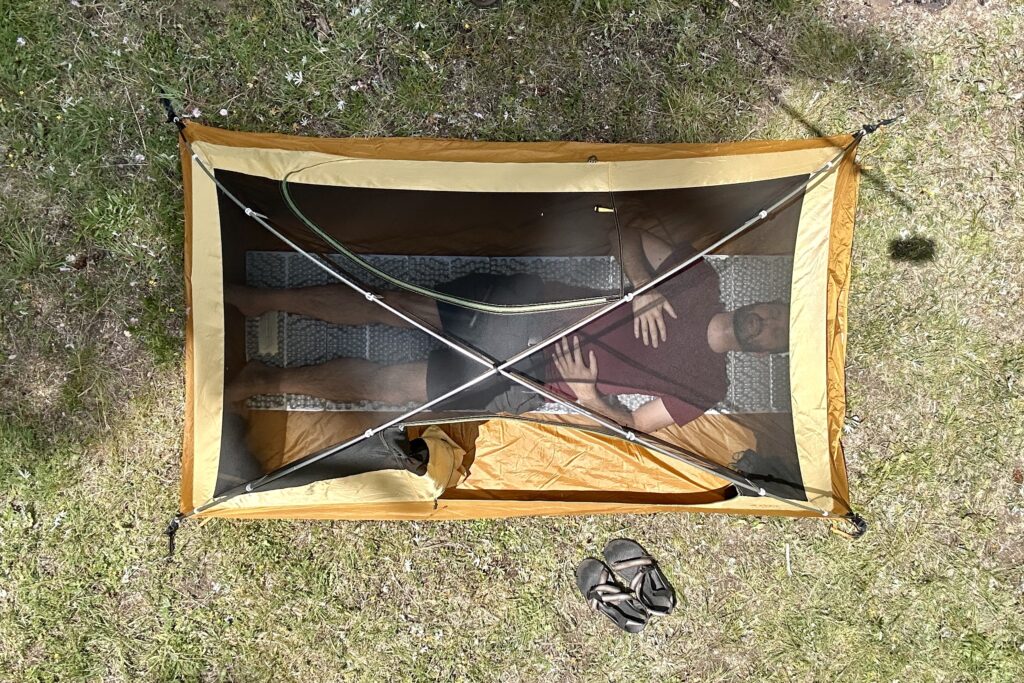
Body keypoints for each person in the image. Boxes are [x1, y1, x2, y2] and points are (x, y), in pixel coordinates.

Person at [226, 225, 789, 434]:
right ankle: (261, 300)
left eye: (773, 334)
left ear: (764, 352)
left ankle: (262, 383)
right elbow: (629, 231)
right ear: (761, 299)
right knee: (395, 304)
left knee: (396, 389)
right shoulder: (701, 282)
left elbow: (637, 426)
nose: (765, 323)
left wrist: (589, 394)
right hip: (532, 306)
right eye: (773, 311)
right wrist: (643, 286)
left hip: (538, 375)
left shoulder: (708, 385)